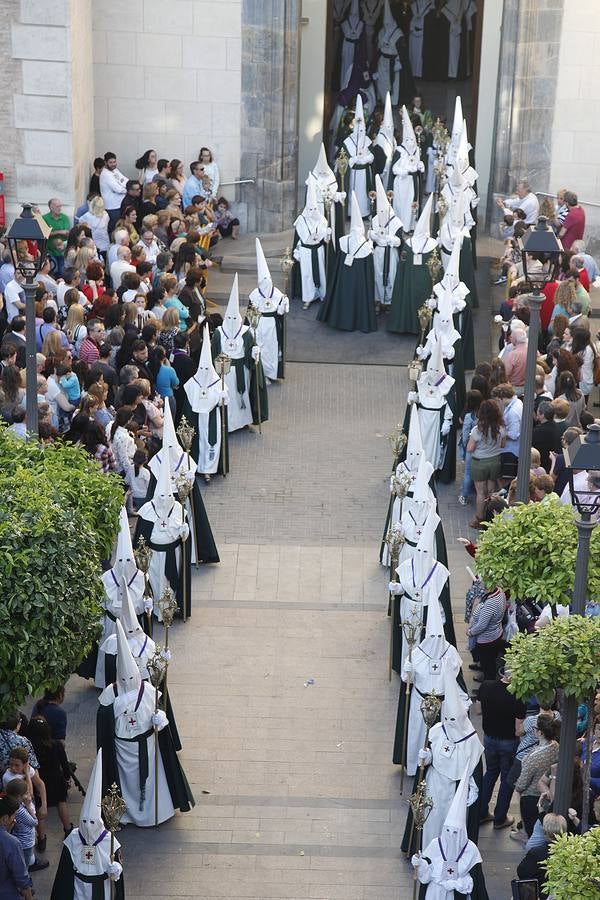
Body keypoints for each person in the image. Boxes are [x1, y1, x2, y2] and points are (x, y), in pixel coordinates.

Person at [97, 623, 194, 826]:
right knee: (125, 784)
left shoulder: (149, 690)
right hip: (122, 749)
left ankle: (154, 813)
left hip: (148, 746)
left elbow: (159, 715)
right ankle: (126, 814)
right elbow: (104, 725)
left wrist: (160, 720)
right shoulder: (110, 695)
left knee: (151, 782)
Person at [403, 668, 483, 854]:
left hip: (452, 790)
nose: (449, 722)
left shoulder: (471, 742)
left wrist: (473, 788)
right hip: (433, 783)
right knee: (430, 820)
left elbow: (473, 770)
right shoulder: (439, 729)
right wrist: (427, 757)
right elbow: (433, 754)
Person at [50, 749, 124, 899]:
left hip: (102, 889)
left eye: (92, 822)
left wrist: (116, 869)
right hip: (79, 888)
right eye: (84, 821)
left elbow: (117, 870)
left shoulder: (109, 841)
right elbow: (64, 872)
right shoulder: (73, 838)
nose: (88, 826)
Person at [412, 767, 486, 899]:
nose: (451, 835)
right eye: (448, 830)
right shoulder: (435, 845)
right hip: (434, 894)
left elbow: (474, 882)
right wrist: (420, 864)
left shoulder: (471, 850)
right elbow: (426, 876)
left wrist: (456, 884)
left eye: (455, 832)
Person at [211, 275, 268, 432]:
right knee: (228, 398)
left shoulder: (245, 332)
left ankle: (242, 422)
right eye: (228, 317)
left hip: (243, 370)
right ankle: (227, 425)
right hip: (225, 372)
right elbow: (214, 353)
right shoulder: (219, 333)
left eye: (233, 318)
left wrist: (255, 353)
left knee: (240, 398)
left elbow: (251, 351)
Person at [317, 191, 376, 334]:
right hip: (358, 278)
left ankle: (340, 319)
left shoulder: (343, 242)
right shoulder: (365, 247)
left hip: (344, 276)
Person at [478, 666, 527, 830]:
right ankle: (500, 818)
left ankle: (481, 813)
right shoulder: (518, 696)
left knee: (490, 772)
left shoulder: (486, 686)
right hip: (508, 742)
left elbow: (478, 710)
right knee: (507, 778)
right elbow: (518, 729)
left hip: (489, 738)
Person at [387, 195, 438, 335]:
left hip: (414, 281)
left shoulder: (413, 244)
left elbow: (402, 264)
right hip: (421, 281)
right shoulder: (431, 245)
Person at [513, 714, 560, 838]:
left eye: (534, 728)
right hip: (546, 795)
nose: (533, 729)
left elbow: (521, 784)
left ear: (540, 733)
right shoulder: (555, 746)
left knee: (531, 831)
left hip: (530, 797)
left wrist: (517, 786)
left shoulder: (534, 759)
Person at [248, 238, 289, 381]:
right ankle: (261, 375)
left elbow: (280, 312)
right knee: (261, 349)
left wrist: (283, 303)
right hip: (259, 325)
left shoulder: (277, 293)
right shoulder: (254, 295)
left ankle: (271, 373)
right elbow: (250, 314)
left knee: (271, 350)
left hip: (272, 325)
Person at [292, 179, 329, 309]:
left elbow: (323, 233)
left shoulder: (321, 218)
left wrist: (323, 234)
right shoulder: (301, 220)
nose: (313, 211)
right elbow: (304, 236)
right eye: (310, 208)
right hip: (306, 250)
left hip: (318, 249)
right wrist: (314, 236)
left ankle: (322, 293)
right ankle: (308, 297)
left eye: (315, 209)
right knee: (307, 274)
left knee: (320, 271)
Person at [368, 175, 402, 311]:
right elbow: (369, 233)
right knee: (377, 275)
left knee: (391, 276)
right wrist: (373, 235)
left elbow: (400, 242)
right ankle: (377, 300)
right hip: (378, 252)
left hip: (390, 253)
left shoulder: (396, 222)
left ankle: (389, 301)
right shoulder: (375, 220)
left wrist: (390, 239)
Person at [516, 813, 567, 899]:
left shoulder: (536, 853)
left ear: (544, 831)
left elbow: (521, 872)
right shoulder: (571, 851)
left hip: (540, 894)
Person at [392, 106, 424, 230]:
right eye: (408, 139)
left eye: (413, 139)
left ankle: (410, 226)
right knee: (401, 204)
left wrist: (421, 166)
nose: (411, 142)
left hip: (412, 182)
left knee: (411, 204)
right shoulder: (400, 151)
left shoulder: (417, 150)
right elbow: (394, 169)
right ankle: (400, 226)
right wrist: (404, 171)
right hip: (401, 182)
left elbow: (418, 163)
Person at [343, 94, 374, 218]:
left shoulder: (367, 140)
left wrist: (366, 158)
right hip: (353, 172)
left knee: (362, 194)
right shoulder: (348, 142)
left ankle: (364, 213)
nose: (360, 132)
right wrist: (354, 159)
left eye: (362, 129)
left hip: (364, 172)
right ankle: (351, 213)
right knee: (352, 192)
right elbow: (343, 160)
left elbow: (372, 156)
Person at [0, 795, 33, 900]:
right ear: (5, 818)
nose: (15, 819)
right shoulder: (11, 843)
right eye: (14, 816)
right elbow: (22, 878)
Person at [99, 152, 128, 230]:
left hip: (119, 205)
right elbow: (118, 189)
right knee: (114, 229)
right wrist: (127, 189)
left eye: (114, 162)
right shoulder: (105, 174)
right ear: (105, 162)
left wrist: (126, 186)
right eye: (110, 162)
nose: (113, 164)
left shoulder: (115, 170)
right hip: (112, 208)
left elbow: (125, 180)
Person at [42, 198, 71, 277]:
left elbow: (68, 232)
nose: (60, 208)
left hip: (63, 251)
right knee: (53, 271)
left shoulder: (65, 218)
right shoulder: (44, 218)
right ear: (51, 207)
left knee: (62, 272)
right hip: (50, 251)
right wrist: (59, 232)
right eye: (57, 206)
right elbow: (44, 234)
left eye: (60, 206)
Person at [532, 401, 562, 472]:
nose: (537, 413)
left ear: (542, 415)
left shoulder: (538, 431)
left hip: (542, 466)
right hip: (552, 464)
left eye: (538, 411)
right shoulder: (555, 426)